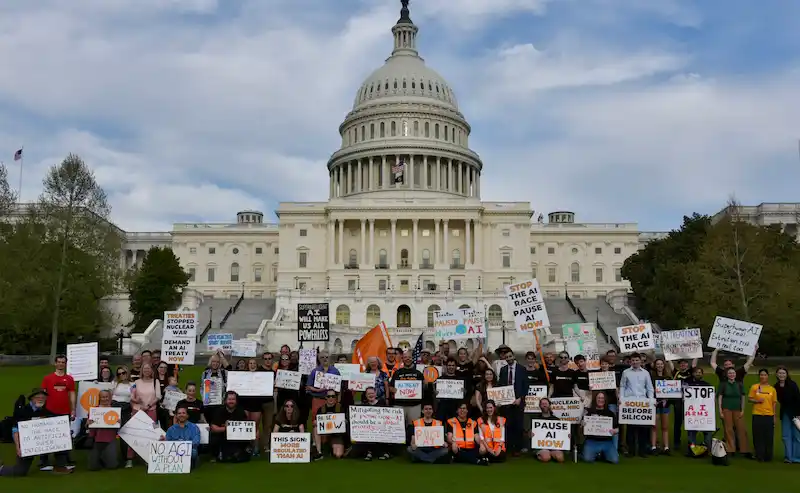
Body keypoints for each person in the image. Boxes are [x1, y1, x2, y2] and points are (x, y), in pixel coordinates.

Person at [0, 388, 73, 476]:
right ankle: (1, 469)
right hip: (27, 444)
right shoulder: (22, 411)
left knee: (60, 441)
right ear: (32, 398)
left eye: (43, 398)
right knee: (20, 471)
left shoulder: (46, 412)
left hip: (42, 444)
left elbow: (57, 426)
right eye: (38, 397)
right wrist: (18, 447)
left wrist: (65, 431)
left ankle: (60, 466)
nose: (40, 399)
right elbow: (15, 430)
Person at [40, 354, 76, 471]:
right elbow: (42, 394)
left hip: (64, 411)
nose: (61, 364)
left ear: (65, 364)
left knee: (63, 437)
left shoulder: (69, 379)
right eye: (59, 362)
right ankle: (44, 462)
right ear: (55, 363)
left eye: (63, 362)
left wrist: (73, 409)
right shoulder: (47, 378)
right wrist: (41, 410)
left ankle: (62, 461)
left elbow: (72, 394)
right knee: (48, 436)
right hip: (50, 411)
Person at [619, 352, 653, 458]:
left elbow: (649, 388)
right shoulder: (626, 372)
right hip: (630, 402)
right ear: (630, 361)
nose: (635, 362)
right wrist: (622, 399)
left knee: (643, 428)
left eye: (637, 360)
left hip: (643, 402)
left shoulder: (646, 373)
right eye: (633, 360)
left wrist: (651, 400)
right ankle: (631, 451)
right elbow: (622, 386)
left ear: (640, 361)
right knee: (630, 428)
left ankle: (642, 451)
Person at [127, 362, 161, 468]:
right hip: (138, 410)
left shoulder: (156, 382)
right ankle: (130, 459)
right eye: (145, 369)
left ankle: (148, 457)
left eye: (148, 369)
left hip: (151, 410)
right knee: (134, 434)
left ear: (152, 370)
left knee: (151, 434)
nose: (147, 371)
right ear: (142, 370)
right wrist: (137, 402)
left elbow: (158, 396)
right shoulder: (136, 382)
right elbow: (131, 396)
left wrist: (149, 405)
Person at [498, 349, 526, 456]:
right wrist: (500, 400)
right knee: (507, 425)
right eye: (506, 357)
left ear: (513, 356)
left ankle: (517, 449)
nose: (508, 358)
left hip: (518, 401)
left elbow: (526, 385)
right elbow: (501, 385)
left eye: (510, 356)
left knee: (518, 425)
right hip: (506, 402)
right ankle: (508, 447)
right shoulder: (503, 369)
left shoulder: (522, 369)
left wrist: (520, 398)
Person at [209, 391, 250, 463]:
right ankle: (215, 455)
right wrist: (227, 428)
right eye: (229, 399)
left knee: (246, 438)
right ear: (225, 401)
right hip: (222, 435)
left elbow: (246, 426)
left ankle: (240, 452)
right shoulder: (219, 411)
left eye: (233, 399)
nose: (231, 401)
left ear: (236, 401)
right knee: (214, 438)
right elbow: (213, 427)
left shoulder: (240, 411)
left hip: (236, 436)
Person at [718, 367, 750, 458]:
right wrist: (720, 410)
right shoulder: (723, 384)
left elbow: (743, 397)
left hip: (737, 408)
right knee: (728, 429)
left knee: (741, 428)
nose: (732, 375)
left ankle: (744, 450)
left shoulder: (739, 384)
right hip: (726, 408)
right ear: (727, 375)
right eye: (730, 373)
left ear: (735, 374)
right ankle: (730, 449)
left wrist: (742, 409)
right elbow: (720, 397)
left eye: (733, 373)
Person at [666, 357, 697, 450]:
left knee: (690, 421)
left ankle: (691, 442)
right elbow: (671, 365)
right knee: (677, 422)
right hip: (678, 401)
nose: (683, 365)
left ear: (687, 364)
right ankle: (676, 442)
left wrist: (697, 353)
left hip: (689, 401)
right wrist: (668, 356)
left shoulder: (691, 372)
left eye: (685, 363)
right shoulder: (676, 373)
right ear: (679, 365)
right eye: (681, 363)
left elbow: (694, 364)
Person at [354, 387, 391, 461]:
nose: (371, 395)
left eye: (372, 393)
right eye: (369, 394)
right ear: (366, 395)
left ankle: (383, 452)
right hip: (369, 429)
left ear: (376, 394)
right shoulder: (363, 406)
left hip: (381, 428)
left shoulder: (382, 403)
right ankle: (369, 452)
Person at [582, 392, 619, 464]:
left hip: (606, 442)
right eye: (598, 398)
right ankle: (596, 453)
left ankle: (602, 454)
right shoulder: (589, 412)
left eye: (602, 398)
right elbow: (582, 428)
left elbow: (617, 428)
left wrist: (615, 431)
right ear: (595, 399)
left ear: (605, 400)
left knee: (615, 460)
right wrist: (582, 424)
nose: (600, 400)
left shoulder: (610, 413)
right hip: (592, 441)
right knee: (587, 459)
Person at [87, 390, 120, 471]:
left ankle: (104, 457)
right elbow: (87, 426)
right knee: (93, 467)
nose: (105, 399)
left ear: (110, 398)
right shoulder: (94, 410)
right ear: (100, 398)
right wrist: (88, 423)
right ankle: (101, 457)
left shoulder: (114, 411)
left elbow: (118, 428)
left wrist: (119, 422)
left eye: (106, 397)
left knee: (112, 466)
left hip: (110, 439)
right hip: (96, 439)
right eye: (103, 397)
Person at [306, 350, 341, 426]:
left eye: (327, 357)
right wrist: (318, 390)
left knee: (333, 421)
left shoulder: (335, 371)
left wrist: (338, 400)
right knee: (316, 421)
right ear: (319, 359)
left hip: (332, 399)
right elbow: (308, 387)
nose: (325, 359)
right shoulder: (314, 371)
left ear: (329, 358)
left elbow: (339, 387)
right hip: (318, 398)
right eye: (322, 357)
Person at [749, 368, 777, 462]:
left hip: (769, 415)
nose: (763, 376)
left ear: (767, 376)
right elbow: (750, 399)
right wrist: (757, 401)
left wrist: (774, 416)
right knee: (758, 435)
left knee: (768, 436)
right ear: (759, 376)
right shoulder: (754, 387)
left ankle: (768, 455)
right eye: (761, 375)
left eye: (765, 375)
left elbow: (774, 403)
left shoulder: (772, 389)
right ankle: (759, 455)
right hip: (757, 414)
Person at [390, 351, 424, 426]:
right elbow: (390, 386)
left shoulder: (418, 373)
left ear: (412, 359)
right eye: (405, 357)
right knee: (398, 426)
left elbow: (423, 387)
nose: (407, 359)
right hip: (399, 404)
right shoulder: (397, 373)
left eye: (409, 357)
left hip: (415, 405)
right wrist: (392, 389)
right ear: (402, 359)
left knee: (414, 427)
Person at [775, 366, 800, 463]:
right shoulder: (776, 386)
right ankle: (788, 457)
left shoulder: (792, 385)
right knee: (786, 435)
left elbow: (798, 399)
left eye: (783, 373)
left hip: (795, 413)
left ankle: (796, 457)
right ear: (777, 374)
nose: (781, 375)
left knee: (796, 436)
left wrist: (798, 414)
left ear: (786, 374)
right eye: (780, 373)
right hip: (785, 413)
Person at [685, 367, 713, 454]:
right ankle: (691, 449)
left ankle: (707, 449)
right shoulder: (688, 384)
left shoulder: (707, 385)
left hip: (704, 412)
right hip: (692, 412)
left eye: (700, 372)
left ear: (702, 374)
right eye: (696, 372)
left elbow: (711, 397)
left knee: (707, 430)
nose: (698, 374)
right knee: (691, 430)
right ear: (693, 374)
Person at [164, 405, 201, 469]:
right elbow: (167, 442)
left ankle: (189, 464)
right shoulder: (171, 429)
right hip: (174, 451)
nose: (181, 415)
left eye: (183, 413)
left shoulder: (194, 427)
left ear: (187, 415)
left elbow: (196, 442)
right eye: (179, 413)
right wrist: (162, 441)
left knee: (193, 452)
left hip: (188, 450)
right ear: (176, 416)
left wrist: (182, 445)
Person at [313, 391, 345, 459]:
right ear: (326, 397)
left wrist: (345, 421)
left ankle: (331, 448)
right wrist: (315, 422)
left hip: (336, 434)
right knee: (315, 428)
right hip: (324, 434)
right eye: (329, 396)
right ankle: (319, 452)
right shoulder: (321, 409)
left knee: (338, 455)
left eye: (333, 396)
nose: (331, 398)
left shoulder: (340, 408)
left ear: (335, 398)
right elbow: (316, 421)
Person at [201, 352, 231, 423]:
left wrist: (221, 356)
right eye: (213, 361)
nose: (215, 363)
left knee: (219, 423)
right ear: (210, 362)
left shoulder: (224, 373)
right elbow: (202, 388)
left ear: (220, 363)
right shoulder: (205, 373)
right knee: (209, 423)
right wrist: (204, 398)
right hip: (208, 404)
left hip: (221, 404)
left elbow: (230, 368)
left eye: (217, 362)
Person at [532, 398, 565, 463]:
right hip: (541, 446)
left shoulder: (556, 420)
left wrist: (566, 436)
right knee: (546, 458)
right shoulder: (536, 419)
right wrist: (531, 434)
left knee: (560, 458)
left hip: (554, 446)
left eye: (546, 403)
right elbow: (529, 434)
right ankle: (543, 454)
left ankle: (551, 453)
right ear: (540, 406)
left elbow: (561, 434)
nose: (544, 405)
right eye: (542, 404)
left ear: (549, 405)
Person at [650, 358, 670, 454]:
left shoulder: (668, 377)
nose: (659, 366)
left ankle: (666, 447)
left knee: (665, 427)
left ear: (664, 365)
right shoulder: (651, 377)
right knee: (654, 426)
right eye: (657, 364)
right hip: (655, 404)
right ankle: (654, 446)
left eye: (661, 364)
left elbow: (672, 391)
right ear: (655, 365)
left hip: (665, 404)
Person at [258, 352, 276, 454]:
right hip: (257, 402)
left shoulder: (274, 372)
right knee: (255, 424)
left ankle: (265, 445)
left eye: (269, 358)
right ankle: (253, 445)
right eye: (265, 359)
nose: (268, 361)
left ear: (272, 360)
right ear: (262, 360)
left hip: (269, 401)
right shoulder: (258, 371)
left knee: (268, 425)